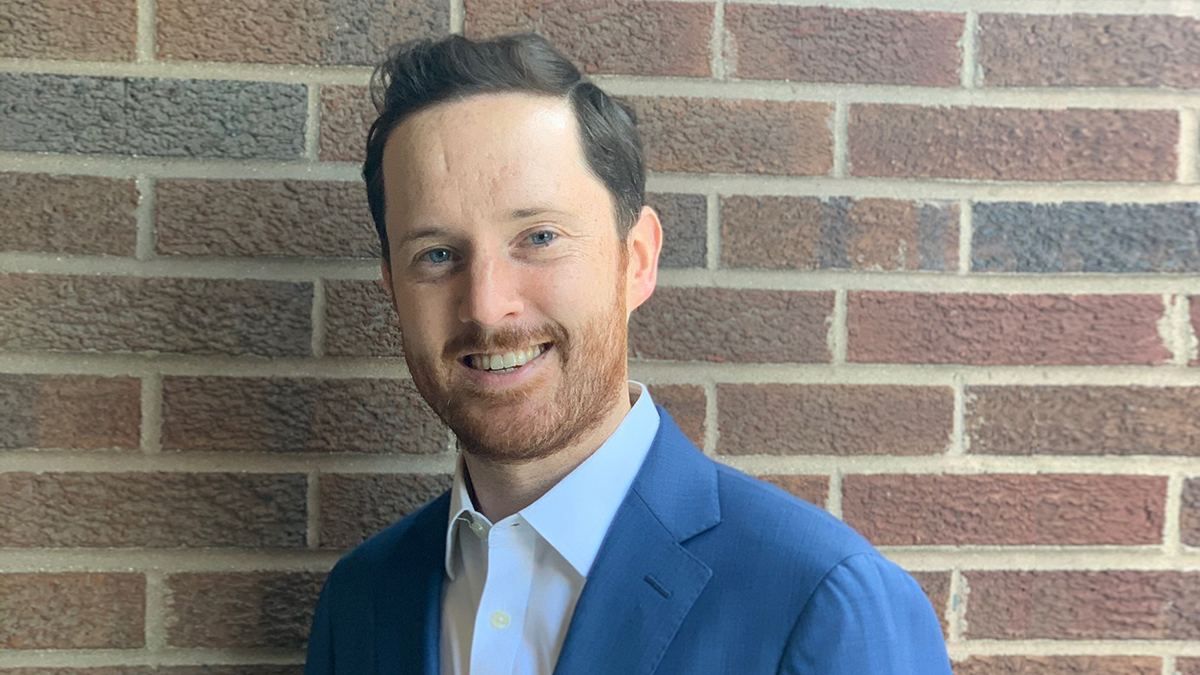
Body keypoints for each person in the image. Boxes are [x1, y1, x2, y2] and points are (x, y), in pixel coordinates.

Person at [304, 32, 952, 675]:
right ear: (393, 286)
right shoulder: (361, 602)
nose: (487, 306)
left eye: (539, 237)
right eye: (437, 254)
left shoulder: (824, 600)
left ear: (636, 260)